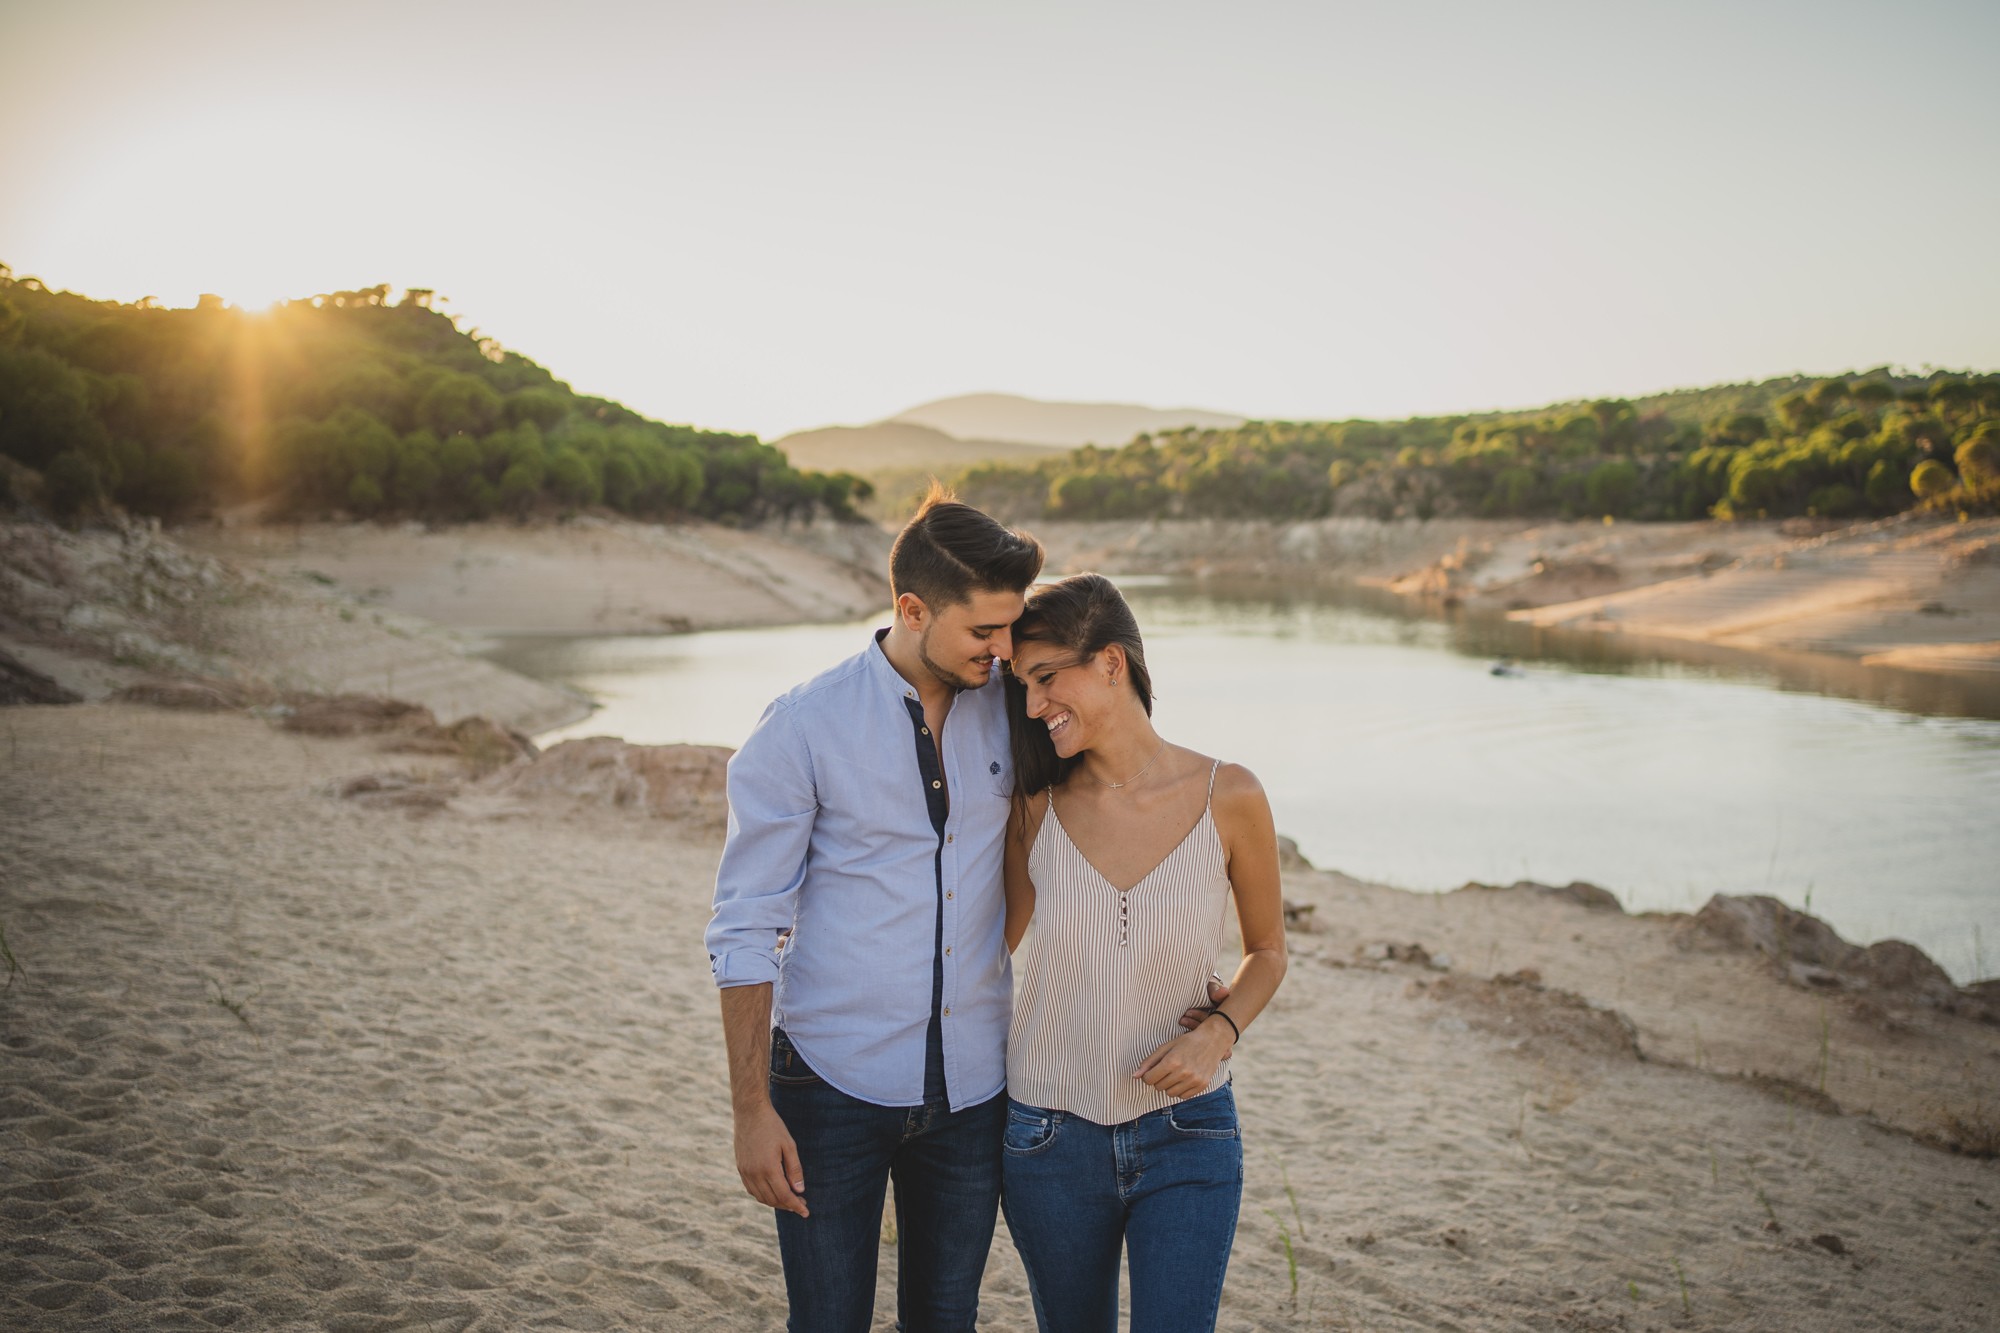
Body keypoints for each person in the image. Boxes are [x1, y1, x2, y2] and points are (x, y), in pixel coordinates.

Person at [705, 488, 1043, 1333]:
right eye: (983, 630)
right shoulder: (803, 726)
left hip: (973, 1088)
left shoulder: (1011, 701)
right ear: (911, 608)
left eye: (1010, 626)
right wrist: (752, 1110)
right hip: (827, 1085)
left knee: (946, 1319)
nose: (1004, 649)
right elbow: (745, 926)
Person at [998, 572, 1288, 1333]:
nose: (1033, 705)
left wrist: (1218, 1032)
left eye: (1047, 677)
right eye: (1023, 686)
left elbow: (1267, 950)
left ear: (1112, 662)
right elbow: (987, 946)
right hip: (1047, 1136)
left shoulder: (1231, 795)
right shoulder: (1036, 806)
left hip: (1186, 1129)